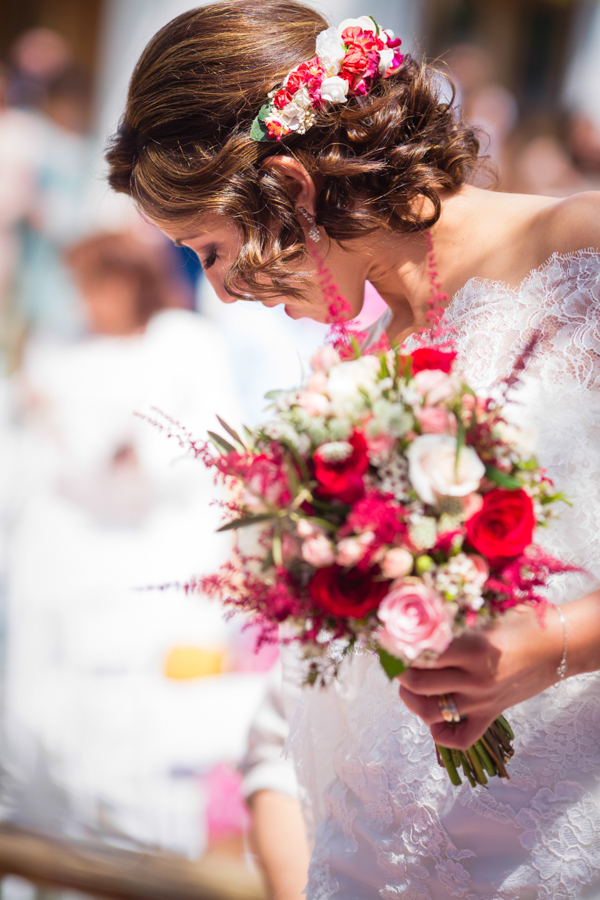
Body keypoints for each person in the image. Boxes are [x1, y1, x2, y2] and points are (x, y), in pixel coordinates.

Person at [105, 2, 600, 897]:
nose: (223, 293)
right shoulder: (351, 378)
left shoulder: (585, 256)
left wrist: (555, 643)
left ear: (291, 187)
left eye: (213, 250)